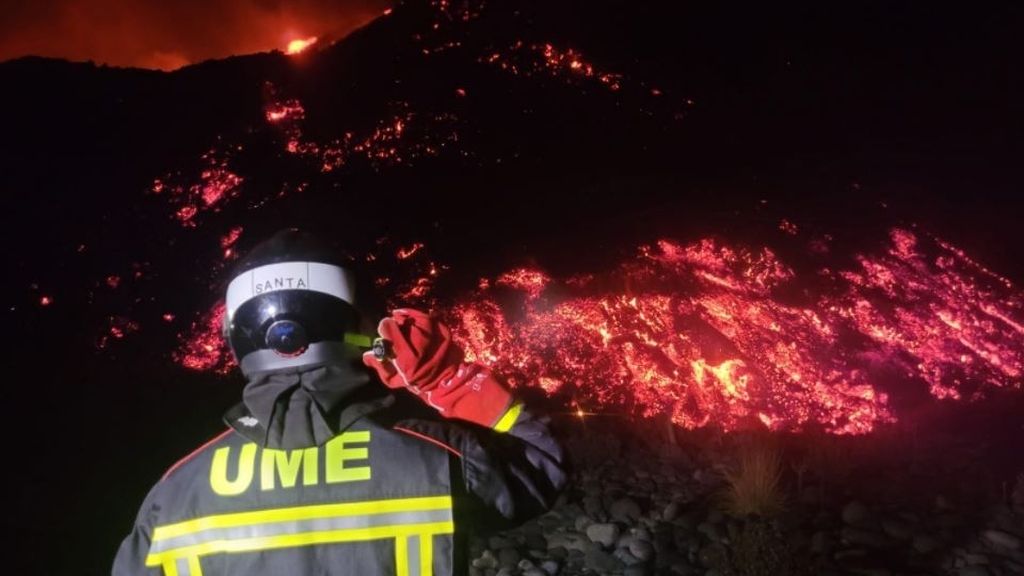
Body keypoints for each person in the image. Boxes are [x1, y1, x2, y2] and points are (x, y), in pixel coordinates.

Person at [112, 229, 567, 576]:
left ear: (239, 338)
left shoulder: (174, 495)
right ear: (357, 325)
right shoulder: (436, 459)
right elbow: (542, 468)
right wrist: (450, 381)